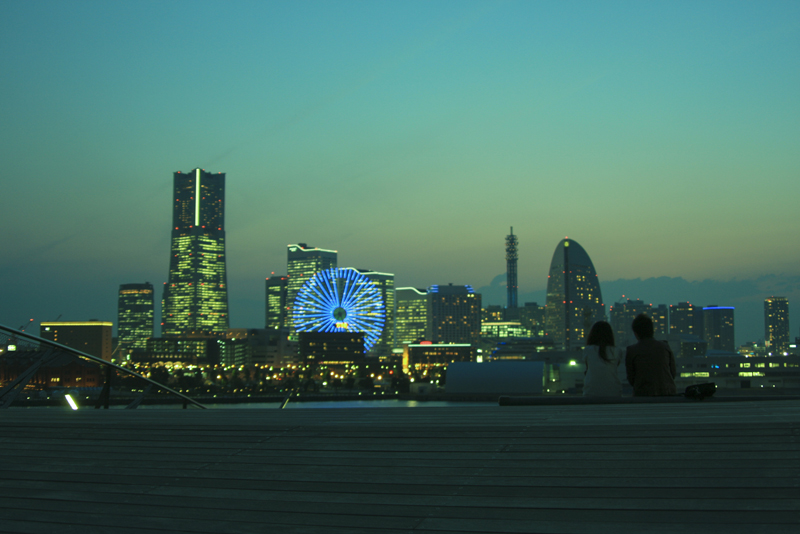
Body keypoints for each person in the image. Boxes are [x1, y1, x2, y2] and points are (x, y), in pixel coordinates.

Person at [625, 313, 676, 396]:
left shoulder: (632, 351)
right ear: (652, 330)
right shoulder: (665, 347)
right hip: (668, 395)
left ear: (636, 333)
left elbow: (631, 379)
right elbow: (672, 373)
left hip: (643, 396)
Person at [582, 321, 622, 397]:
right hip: (613, 392)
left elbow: (588, 368)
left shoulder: (587, 350)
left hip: (590, 392)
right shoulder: (616, 351)